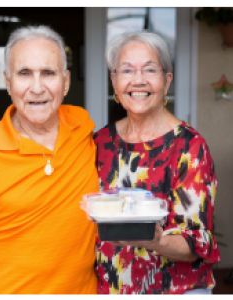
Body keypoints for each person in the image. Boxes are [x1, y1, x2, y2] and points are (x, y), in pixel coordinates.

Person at [0, 25, 99, 294]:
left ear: (65, 82)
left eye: (48, 73)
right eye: (25, 74)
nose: (37, 88)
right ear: (8, 83)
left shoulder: (83, 129)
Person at [94, 31, 221, 294]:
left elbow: (197, 243)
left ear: (167, 80)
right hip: (110, 288)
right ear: (114, 81)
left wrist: (154, 239)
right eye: (127, 70)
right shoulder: (100, 142)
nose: (138, 80)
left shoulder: (189, 147)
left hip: (174, 290)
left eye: (150, 70)